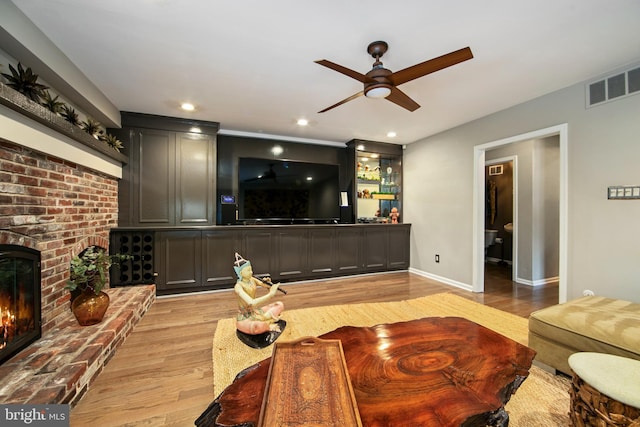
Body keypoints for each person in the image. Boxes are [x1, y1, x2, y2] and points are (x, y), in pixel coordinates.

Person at [233, 253, 284, 335]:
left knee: (279, 305)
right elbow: (251, 302)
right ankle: (268, 321)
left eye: (251, 269)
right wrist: (270, 294)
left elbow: (265, 285)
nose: (251, 272)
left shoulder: (252, 279)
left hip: (255, 312)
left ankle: (265, 319)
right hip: (244, 317)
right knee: (257, 327)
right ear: (241, 273)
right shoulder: (238, 287)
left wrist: (268, 283)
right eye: (248, 270)